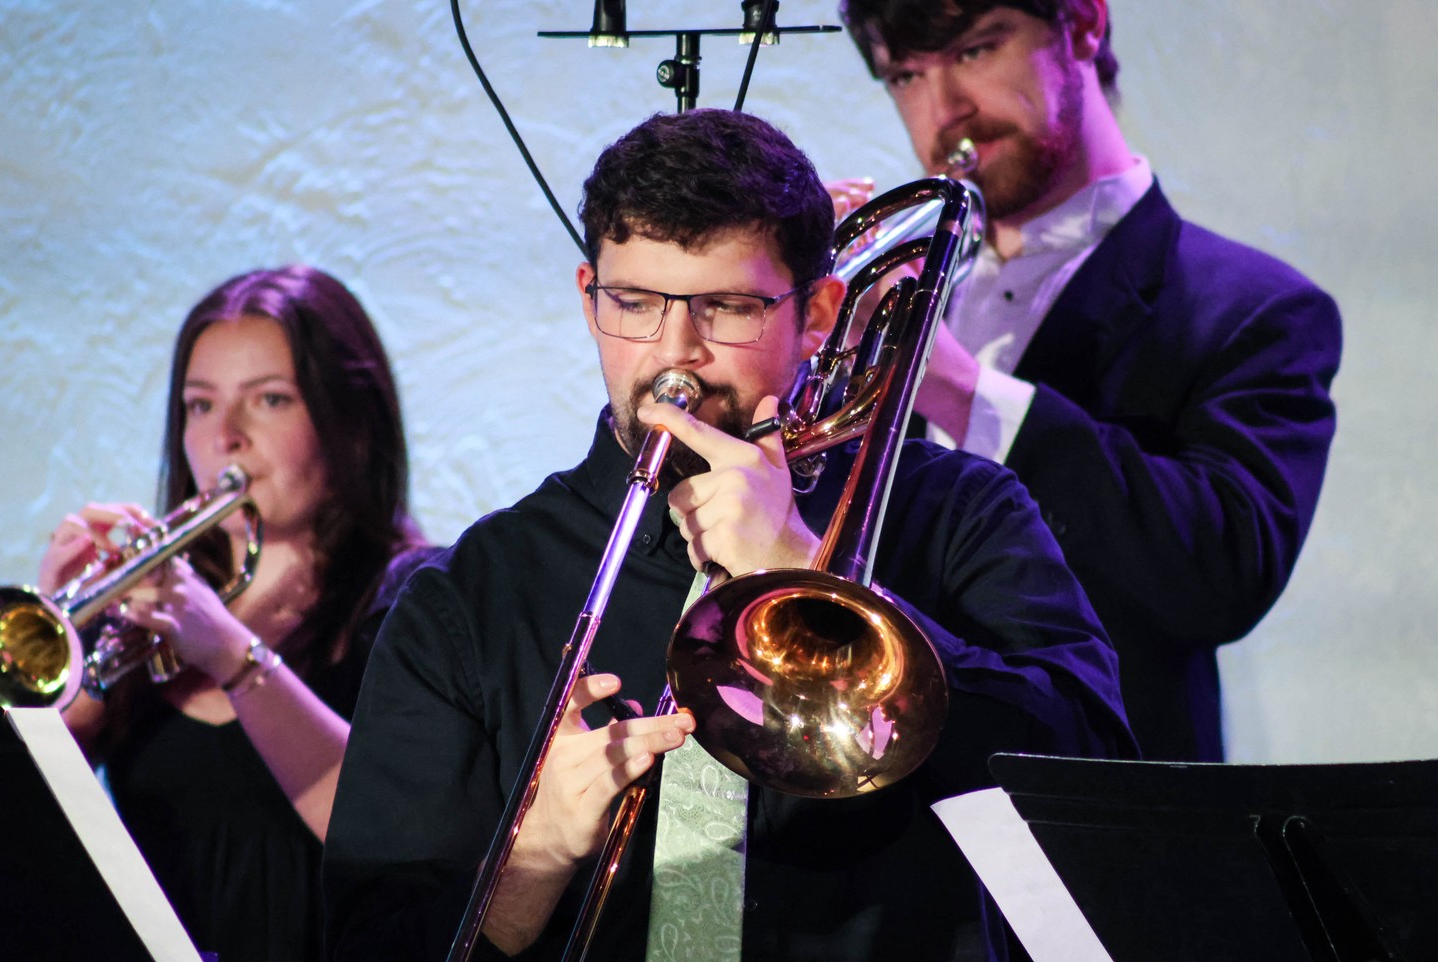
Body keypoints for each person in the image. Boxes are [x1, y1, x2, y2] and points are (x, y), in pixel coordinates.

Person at [323, 108, 1134, 962]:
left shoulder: (960, 514)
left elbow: (1091, 788)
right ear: (589, 299)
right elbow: (367, 942)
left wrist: (806, 570)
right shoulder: (471, 594)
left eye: (728, 308)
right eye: (634, 304)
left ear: (816, 314)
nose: (675, 355)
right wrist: (534, 857)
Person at [838, 0, 1342, 761]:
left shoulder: (1254, 308)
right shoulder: (894, 287)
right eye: (906, 75)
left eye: (975, 51)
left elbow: (1220, 579)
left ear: (1082, 26)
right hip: (877, 798)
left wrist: (958, 389)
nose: (945, 110)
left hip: (1096, 795)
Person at [37, 265, 430, 962]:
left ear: (352, 424)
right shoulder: (147, 608)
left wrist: (230, 655)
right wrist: (57, 650)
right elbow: (34, 822)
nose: (226, 436)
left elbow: (399, 831)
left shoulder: (420, 599)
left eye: (270, 399)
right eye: (200, 405)